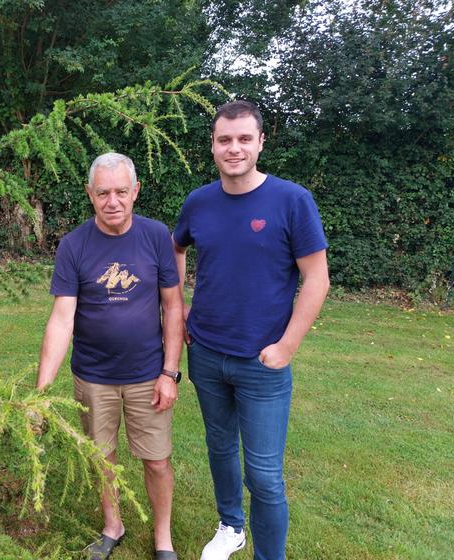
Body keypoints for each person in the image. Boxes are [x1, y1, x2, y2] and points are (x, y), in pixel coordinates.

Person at [172, 100, 330, 560]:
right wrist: (179, 308)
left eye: (244, 138)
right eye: (225, 139)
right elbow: (175, 249)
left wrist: (288, 345)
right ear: (213, 146)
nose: (234, 148)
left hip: (263, 361)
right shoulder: (198, 202)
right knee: (219, 449)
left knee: (263, 474)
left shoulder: (291, 200)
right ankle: (230, 528)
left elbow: (316, 278)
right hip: (205, 352)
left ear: (261, 142)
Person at [36, 152, 184, 560]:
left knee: (156, 461)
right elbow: (61, 319)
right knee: (102, 458)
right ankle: (113, 525)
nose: (113, 201)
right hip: (93, 376)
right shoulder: (73, 245)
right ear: (90, 194)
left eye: (121, 191)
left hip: (147, 375)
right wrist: (41, 390)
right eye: (103, 192)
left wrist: (170, 373)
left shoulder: (156, 236)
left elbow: (173, 306)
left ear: (135, 191)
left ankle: (163, 539)